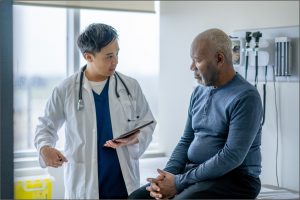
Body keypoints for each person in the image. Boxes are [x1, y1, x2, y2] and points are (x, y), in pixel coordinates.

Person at [129, 28, 262, 199]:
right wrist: (166, 177)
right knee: (137, 197)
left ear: (219, 59)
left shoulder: (245, 96)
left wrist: (179, 182)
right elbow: (186, 140)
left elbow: (231, 156)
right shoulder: (198, 93)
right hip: (196, 173)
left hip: (236, 179)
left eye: (197, 60)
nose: (191, 67)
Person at [34, 23, 156, 199]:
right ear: (89, 56)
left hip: (123, 184)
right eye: (108, 56)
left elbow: (147, 123)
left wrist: (137, 137)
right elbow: (45, 126)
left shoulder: (130, 86)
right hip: (84, 186)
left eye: (117, 54)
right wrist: (45, 148)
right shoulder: (66, 89)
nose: (115, 61)